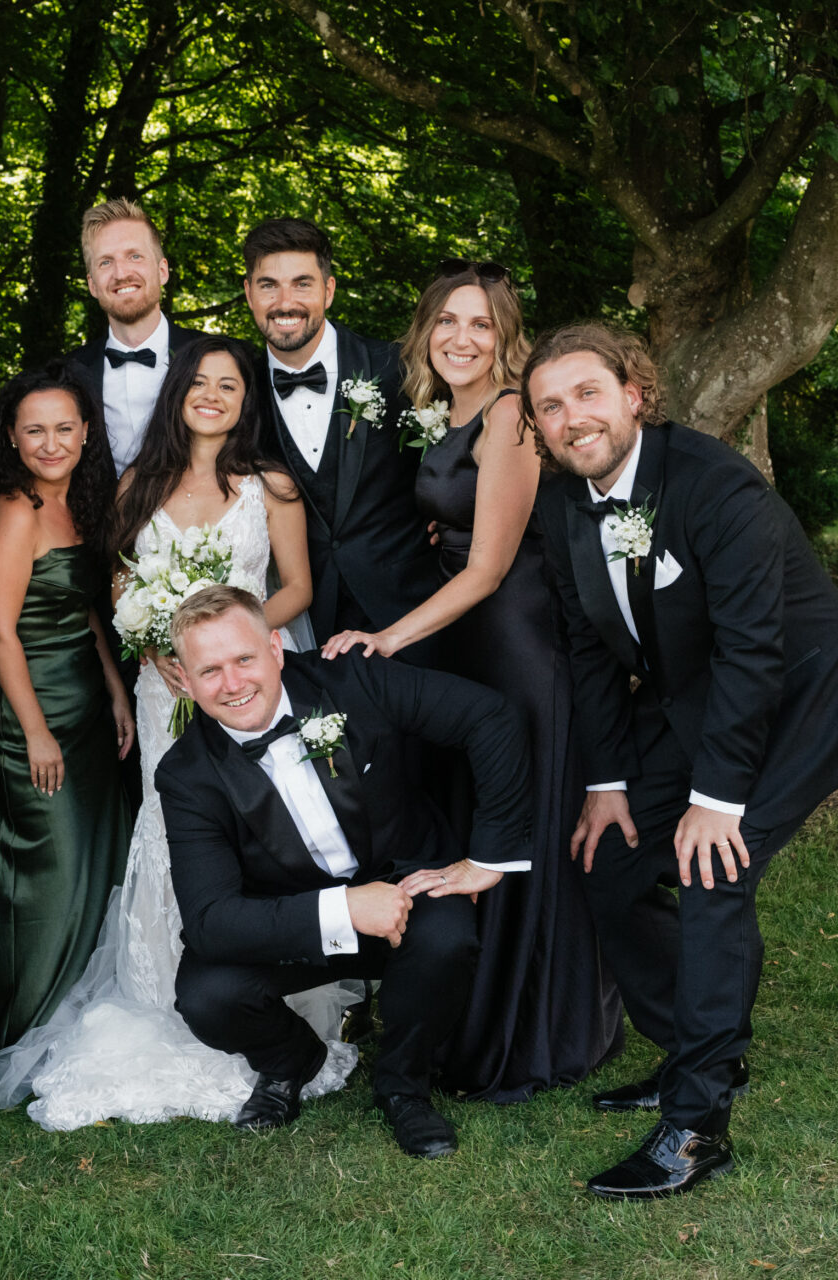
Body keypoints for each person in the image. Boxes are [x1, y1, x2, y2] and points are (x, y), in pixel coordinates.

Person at [526, 322, 838, 1199]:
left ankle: (696, 1125)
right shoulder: (559, 504)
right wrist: (610, 785)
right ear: (535, 427)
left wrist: (717, 800)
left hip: (806, 693)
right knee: (608, 867)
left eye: (587, 393)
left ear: (633, 394)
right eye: (550, 405)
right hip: (695, 699)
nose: (573, 417)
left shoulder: (718, 486)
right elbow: (587, 649)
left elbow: (755, 652)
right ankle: (692, 1049)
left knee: (713, 870)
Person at [0, 337, 357, 1129]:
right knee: (172, 822)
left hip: (254, 681)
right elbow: (118, 582)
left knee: (263, 821)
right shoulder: (136, 484)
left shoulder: (272, 487)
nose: (213, 395)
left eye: (229, 384)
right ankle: (163, 989)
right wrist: (157, 643)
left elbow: (297, 586)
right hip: (165, 689)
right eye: (200, 382)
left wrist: (231, 644)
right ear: (178, 393)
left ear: (244, 398)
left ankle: (268, 994)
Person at [319, 263, 622, 1100]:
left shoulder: (512, 414)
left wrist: (386, 638)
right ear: (425, 331)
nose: (462, 338)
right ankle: (460, 1010)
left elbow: (488, 567)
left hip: (514, 644)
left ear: (506, 337)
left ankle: (531, 1028)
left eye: (482, 325)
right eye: (448, 321)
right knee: (473, 822)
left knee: (517, 823)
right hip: (463, 644)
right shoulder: (446, 412)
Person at [154, 586, 532, 1157]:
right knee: (207, 995)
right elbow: (209, 922)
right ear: (184, 678)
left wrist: (486, 860)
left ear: (276, 649)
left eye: (244, 659)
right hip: (296, 924)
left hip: (406, 885)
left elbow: (490, 717)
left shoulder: (354, 680)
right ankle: (289, 1061)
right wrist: (346, 909)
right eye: (210, 670)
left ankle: (404, 1085)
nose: (232, 684)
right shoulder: (185, 775)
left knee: (447, 937)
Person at [0, 363, 136, 1076]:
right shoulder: (15, 510)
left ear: (87, 431)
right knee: (47, 875)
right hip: (25, 710)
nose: (50, 441)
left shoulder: (83, 504)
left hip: (87, 706)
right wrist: (35, 730)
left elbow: (89, 607)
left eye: (64, 427)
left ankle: (80, 1015)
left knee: (97, 863)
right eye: (34, 429)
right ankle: (22, 1028)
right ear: (11, 435)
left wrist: (116, 692)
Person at [241, 217, 441, 657]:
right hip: (307, 628)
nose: (285, 301)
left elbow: (456, 449)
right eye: (269, 285)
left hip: (409, 611)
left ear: (328, 290)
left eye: (302, 284)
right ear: (249, 293)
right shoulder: (238, 391)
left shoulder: (398, 367)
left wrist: (452, 519)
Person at [65, 199, 203, 474]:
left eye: (134, 256)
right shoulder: (68, 374)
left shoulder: (213, 357)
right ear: (92, 285)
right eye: (105, 262)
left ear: (162, 271)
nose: (121, 273)